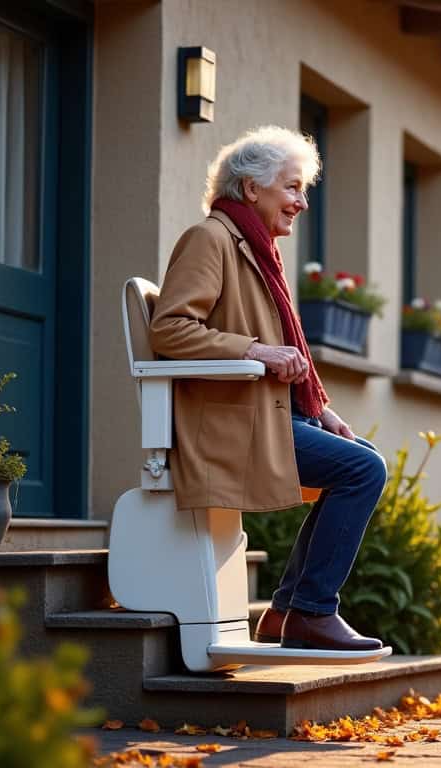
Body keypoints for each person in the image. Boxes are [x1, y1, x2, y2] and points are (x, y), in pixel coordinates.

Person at [148, 125, 386, 652]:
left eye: (302, 190)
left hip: (268, 414)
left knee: (360, 456)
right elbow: (168, 329)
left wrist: (321, 411)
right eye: (292, 188)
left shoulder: (256, 250)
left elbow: (290, 357)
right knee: (363, 471)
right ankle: (310, 610)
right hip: (231, 423)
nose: (301, 202)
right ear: (252, 189)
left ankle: (284, 613)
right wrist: (254, 350)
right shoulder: (210, 239)